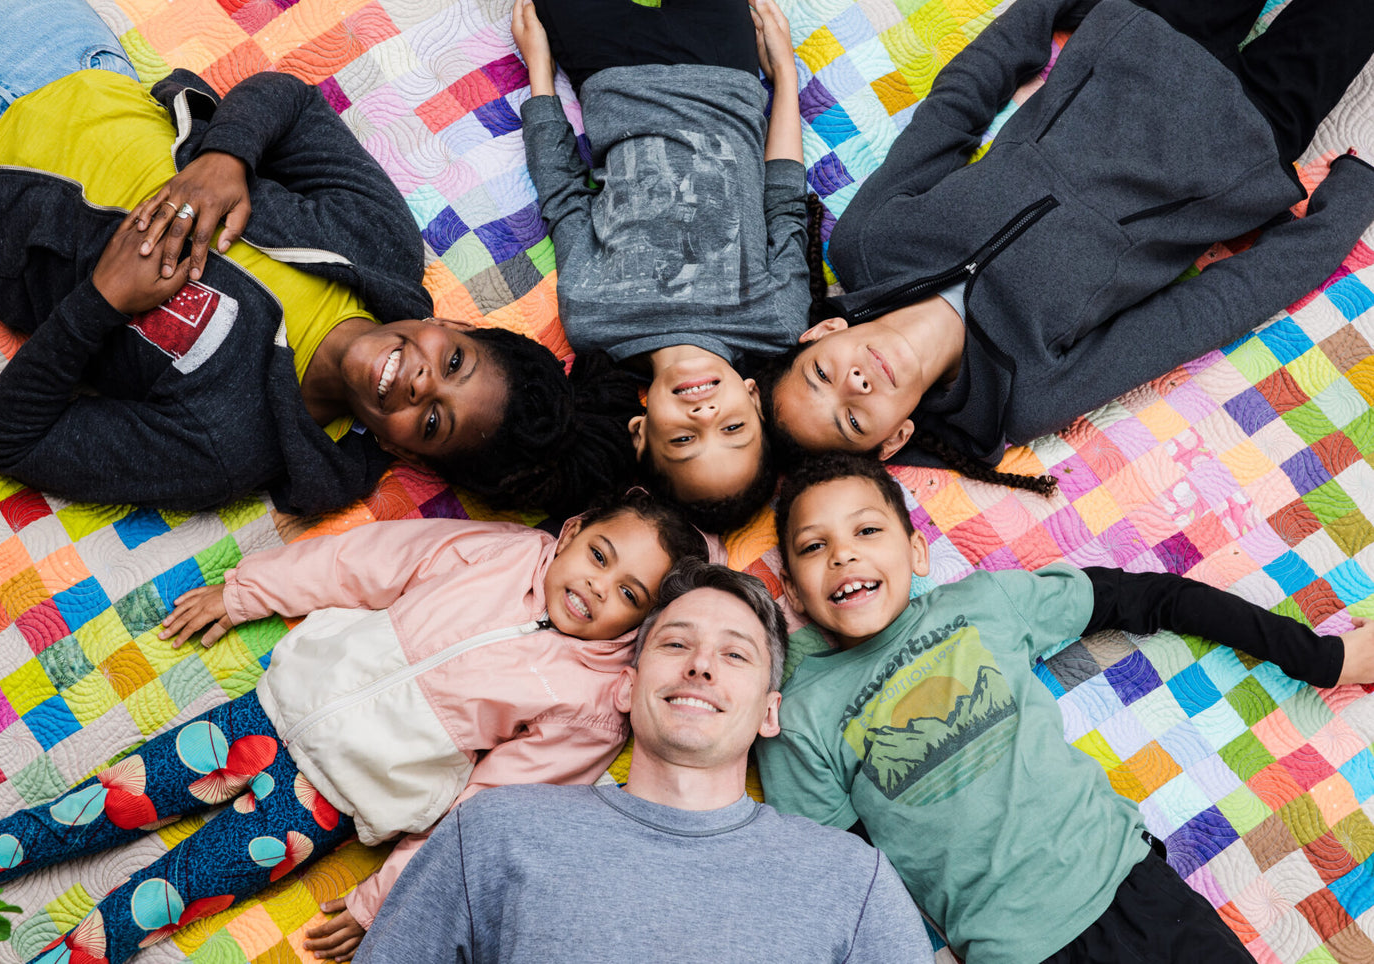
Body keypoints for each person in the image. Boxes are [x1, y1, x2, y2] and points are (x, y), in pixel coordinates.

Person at [0, 0, 640, 517]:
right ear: (453, 328)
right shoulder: (379, 244)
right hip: (47, 54)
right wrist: (226, 157)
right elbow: (292, 102)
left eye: (433, 423)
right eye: (453, 363)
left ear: (405, 454)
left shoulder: (226, 447)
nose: (422, 383)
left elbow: (10, 440)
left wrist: (101, 303)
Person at [0, 492, 707, 964]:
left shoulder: (592, 702)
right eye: (599, 554)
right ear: (571, 530)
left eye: (627, 593)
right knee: (90, 808)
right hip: (263, 716)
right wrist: (247, 591)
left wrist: (388, 897)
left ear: (643, 623)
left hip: (327, 803)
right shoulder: (496, 551)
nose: (596, 587)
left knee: (165, 899)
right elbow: (360, 561)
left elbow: (491, 809)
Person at [757, 454, 1374, 963]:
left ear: (917, 552)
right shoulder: (798, 716)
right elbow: (843, 879)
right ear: (794, 592)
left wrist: (1325, 659)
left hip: (1135, 889)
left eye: (867, 530)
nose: (843, 555)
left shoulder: (983, 603)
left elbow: (1155, 596)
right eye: (814, 546)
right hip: (1015, 950)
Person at [761, 0, 1374, 491]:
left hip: (1142, 39)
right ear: (893, 439)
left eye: (821, 374)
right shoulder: (1026, 394)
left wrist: (1045, 8)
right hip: (1247, 136)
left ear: (822, 333)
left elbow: (955, 108)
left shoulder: (868, 243)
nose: (855, 383)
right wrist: (1348, 203)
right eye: (852, 420)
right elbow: (1204, 312)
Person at [356, 559, 933, 963]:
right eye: (676, 644)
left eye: (735, 655)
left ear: (769, 712)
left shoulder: (852, 880)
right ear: (626, 689)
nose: (701, 665)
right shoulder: (492, 830)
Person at [511, 0, 811, 532]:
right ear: (754, 399)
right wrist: (785, 76)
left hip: (609, 75)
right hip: (725, 70)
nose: (705, 416)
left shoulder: (595, 323)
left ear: (640, 432)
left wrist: (540, 72)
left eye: (684, 440)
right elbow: (785, 201)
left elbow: (564, 197)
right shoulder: (777, 323)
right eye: (733, 429)